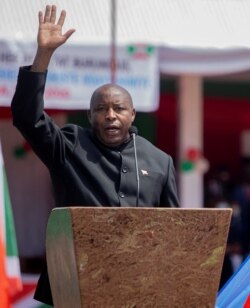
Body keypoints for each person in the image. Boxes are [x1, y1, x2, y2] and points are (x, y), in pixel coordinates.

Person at [11, 5, 179, 306]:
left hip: (139, 286)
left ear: (132, 114)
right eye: (101, 109)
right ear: (90, 116)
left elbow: (173, 230)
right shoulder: (70, 147)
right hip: (74, 283)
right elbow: (27, 117)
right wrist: (43, 56)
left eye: (118, 109)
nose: (110, 116)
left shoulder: (159, 161)